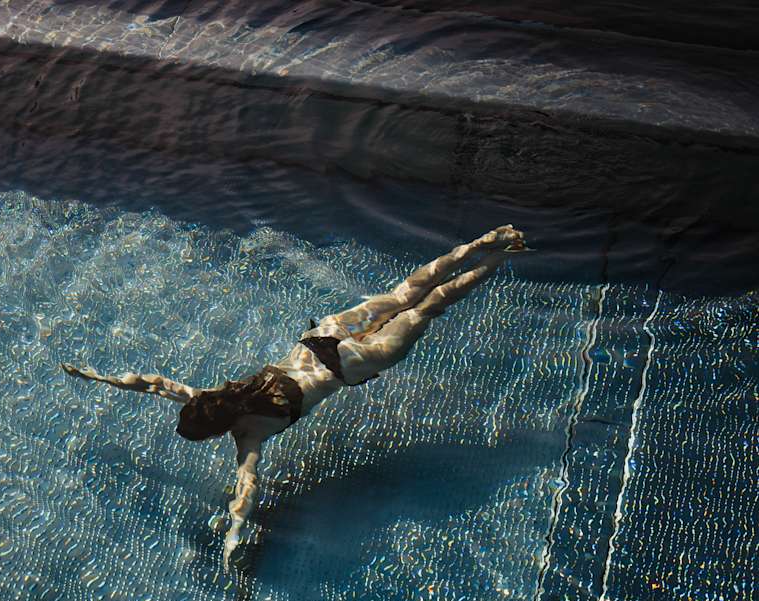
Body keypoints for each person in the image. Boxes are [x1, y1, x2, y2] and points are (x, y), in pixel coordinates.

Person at [61, 225, 531, 569]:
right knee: (409, 289)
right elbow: (153, 383)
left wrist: (233, 539)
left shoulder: (247, 437)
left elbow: (246, 492)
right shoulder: (211, 394)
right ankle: (481, 241)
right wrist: (98, 377)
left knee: (431, 306)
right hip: (324, 336)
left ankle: (498, 259)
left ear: (216, 432)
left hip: (349, 365)